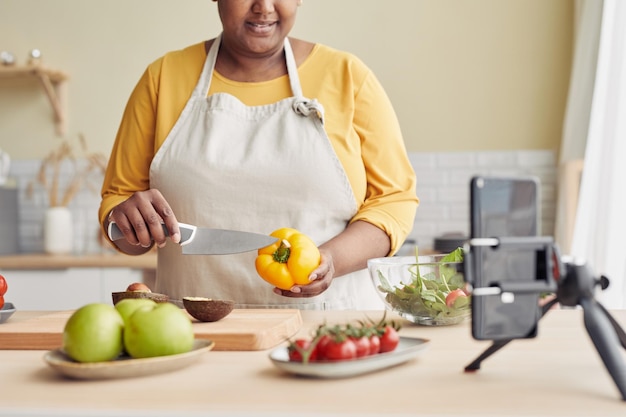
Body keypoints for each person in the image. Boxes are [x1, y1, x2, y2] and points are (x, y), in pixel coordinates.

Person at [99, 0, 418, 310]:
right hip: (192, 331)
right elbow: (119, 201)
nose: (264, 7)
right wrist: (129, 222)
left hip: (327, 329)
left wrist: (333, 259)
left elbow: (394, 200)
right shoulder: (162, 78)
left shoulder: (348, 76)